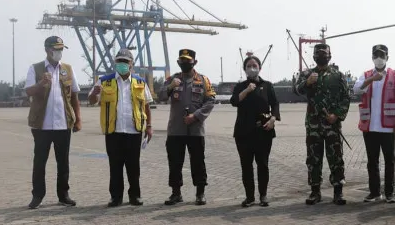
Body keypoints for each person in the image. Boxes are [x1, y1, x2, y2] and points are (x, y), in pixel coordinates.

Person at [88, 49, 153, 207]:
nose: (122, 64)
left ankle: (135, 196)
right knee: (115, 166)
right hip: (113, 132)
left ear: (132, 64)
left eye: (125, 61)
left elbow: (146, 106)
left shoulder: (140, 82)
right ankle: (116, 197)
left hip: (134, 131)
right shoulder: (104, 81)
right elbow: (91, 101)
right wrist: (94, 94)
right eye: (119, 61)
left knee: (133, 166)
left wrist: (149, 127)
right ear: (115, 63)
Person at [24, 36, 81, 209]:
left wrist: (78, 119)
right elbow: (29, 91)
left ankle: (63, 195)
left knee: (63, 162)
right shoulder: (35, 68)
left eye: (61, 49)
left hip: (63, 125)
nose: (59, 52)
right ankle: (37, 196)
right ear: (47, 50)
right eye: (56, 49)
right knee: (39, 162)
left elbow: (75, 96)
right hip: (42, 126)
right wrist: (41, 83)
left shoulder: (68, 69)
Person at [294, 44, 351, 205]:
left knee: (336, 158)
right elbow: (296, 90)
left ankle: (338, 192)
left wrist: (337, 115)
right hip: (313, 125)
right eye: (318, 53)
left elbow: (346, 97)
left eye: (324, 53)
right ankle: (314, 191)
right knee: (313, 159)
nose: (321, 55)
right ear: (313, 56)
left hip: (332, 125)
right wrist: (307, 83)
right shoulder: (306, 74)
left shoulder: (338, 75)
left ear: (330, 55)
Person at [159, 49, 216, 206]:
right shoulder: (172, 79)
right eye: (181, 61)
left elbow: (210, 101)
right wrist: (170, 86)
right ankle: (176, 193)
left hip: (196, 130)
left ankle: (200, 193)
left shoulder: (203, 80)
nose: (184, 64)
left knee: (198, 162)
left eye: (187, 61)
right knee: (175, 162)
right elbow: (161, 96)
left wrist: (195, 116)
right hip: (176, 130)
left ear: (194, 62)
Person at [353, 44, 395, 204]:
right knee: (372, 161)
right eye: (376, 55)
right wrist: (371, 79)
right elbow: (356, 89)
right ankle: (374, 192)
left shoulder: (394, 76)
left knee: (390, 161)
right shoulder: (366, 75)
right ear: (372, 58)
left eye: (382, 56)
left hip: (388, 127)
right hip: (370, 127)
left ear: (387, 58)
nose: (379, 58)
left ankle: (389, 193)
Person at [230, 56, 280, 207]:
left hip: (263, 131)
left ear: (259, 67)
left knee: (262, 165)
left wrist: (273, 119)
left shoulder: (267, 85)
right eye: (249, 66)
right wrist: (246, 90)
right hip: (243, 132)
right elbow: (234, 101)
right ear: (244, 69)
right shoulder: (240, 86)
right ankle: (250, 197)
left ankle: (263, 195)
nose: (252, 68)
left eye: (254, 65)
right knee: (246, 166)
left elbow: (275, 104)